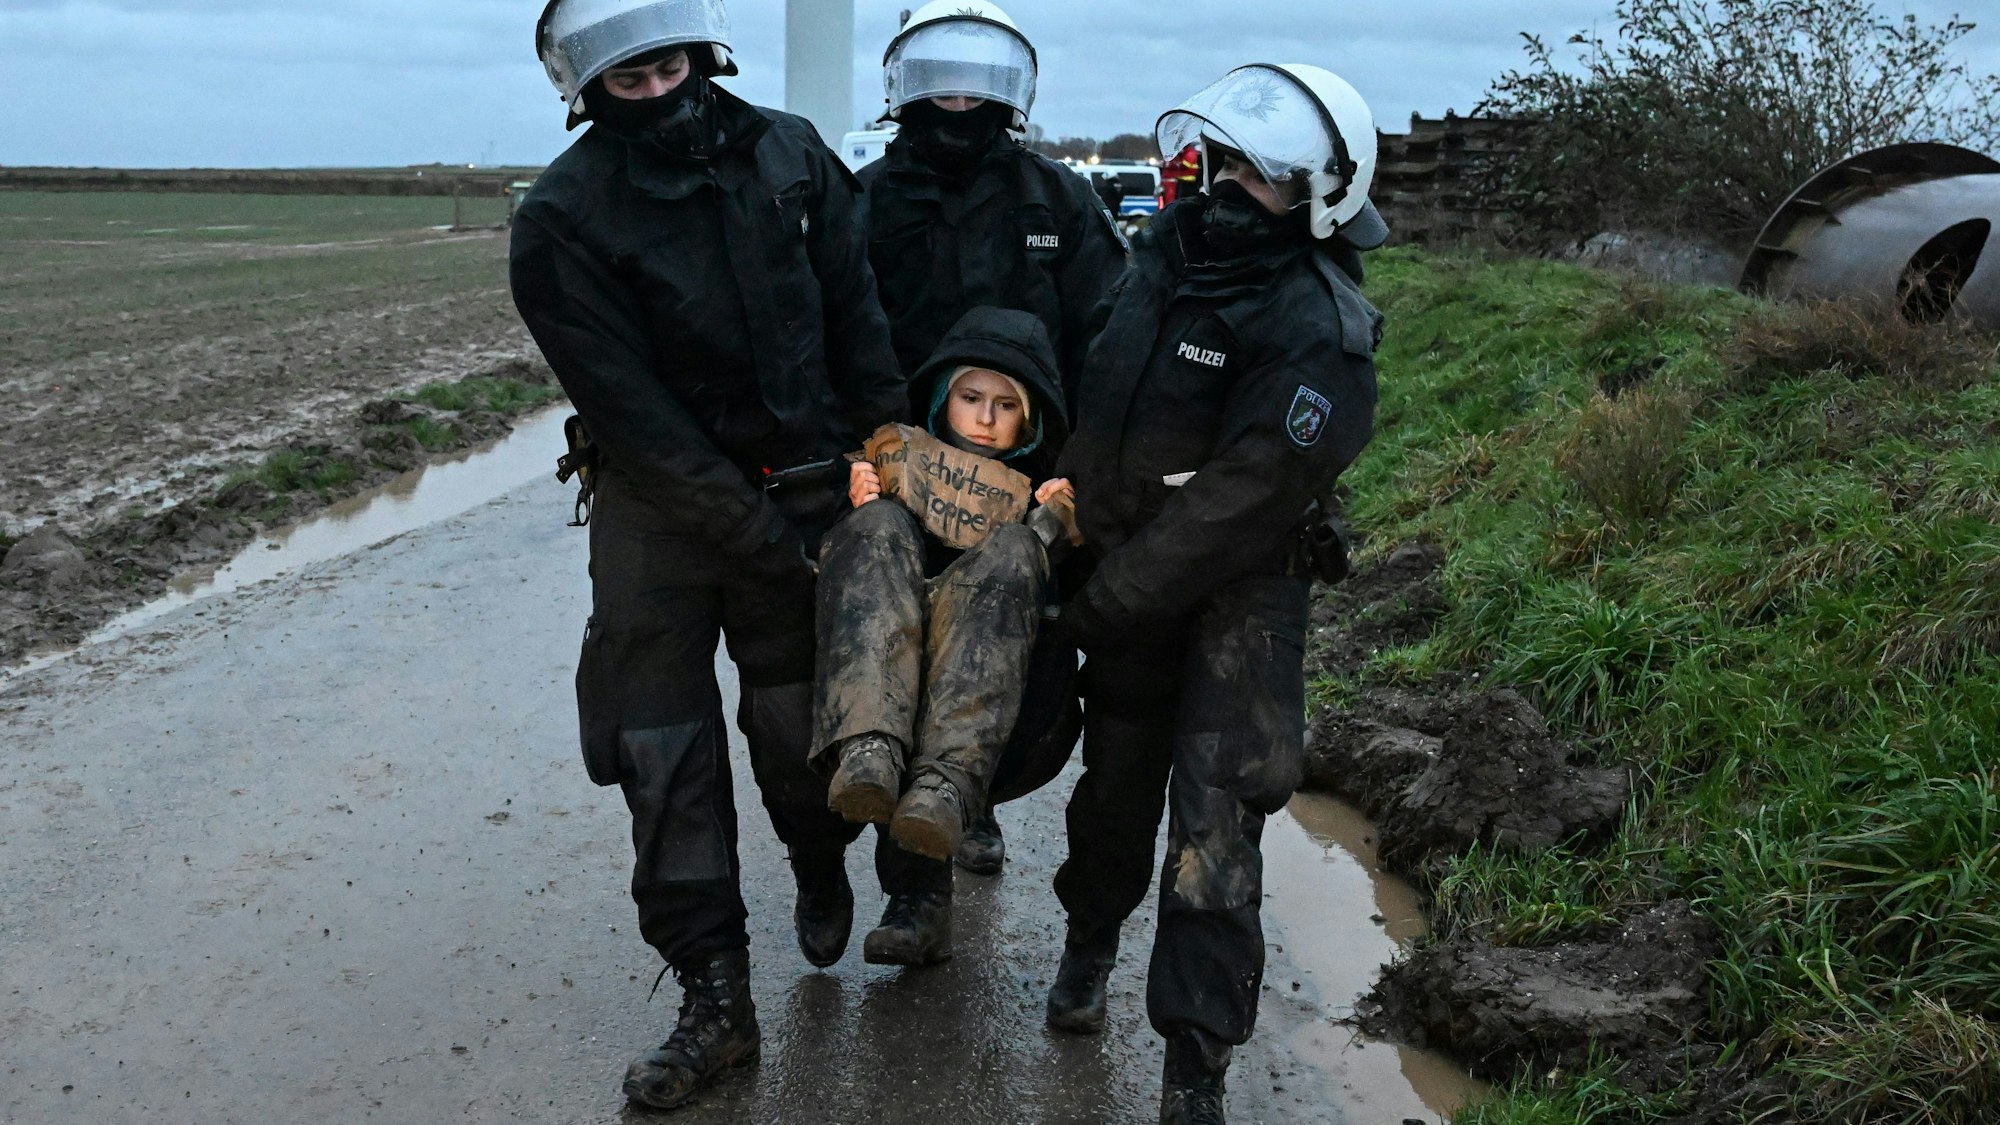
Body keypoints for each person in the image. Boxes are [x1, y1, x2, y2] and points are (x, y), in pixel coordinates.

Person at [508, 0, 905, 1111]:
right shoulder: (561, 217)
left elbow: (854, 309)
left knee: (793, 726)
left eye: (667, 68)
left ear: (700, 52)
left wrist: (886, 454)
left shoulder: (791, 152)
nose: (654, 93)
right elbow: (627, 407)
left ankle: (820, 862)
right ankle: (714, 998)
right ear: (587, 90)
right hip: (659, 511)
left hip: (810, 480)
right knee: (658, 747)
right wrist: (746, 527)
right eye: (625, 82)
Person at [1040, 64, 1389, 1125]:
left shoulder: (1318, 323)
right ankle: (1087, 944)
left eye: (1265, 175)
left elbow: (1241, 499)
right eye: (1227, 160)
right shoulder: (1158, 260)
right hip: (1124, 574)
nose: (1233, 185)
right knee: (1114, 786)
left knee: (1216, 821)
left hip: (1243, 596)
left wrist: (1102, 604)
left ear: (1321, 196)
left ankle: (1194, 1066)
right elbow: (1096, 404)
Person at [856, 0, 1128, 893]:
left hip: (1024, 479)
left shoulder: (1058, 198)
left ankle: (975, 803)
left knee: (1006, 650)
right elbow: (840, 327)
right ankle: (912, 893)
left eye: (979, 79)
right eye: (941, 77)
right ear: (905, 85)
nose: (959, 96)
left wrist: (1080, 472)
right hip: (907, 470)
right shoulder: (872, 200)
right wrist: (867, 449)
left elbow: (1107, 337)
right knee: (900, 645)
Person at [811, 307, 1076, 964]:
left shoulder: (1043, 487)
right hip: (880, 680)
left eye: (1005, 404)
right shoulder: (898, 456)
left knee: (1015, 547)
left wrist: (1059, 532)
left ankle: (947, 787)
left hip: (990, 705)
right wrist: (858, 498)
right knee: (876, 530)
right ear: (942, 399)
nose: (985, 417)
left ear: (1030, 417)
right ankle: (868, 751)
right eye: (970, 397)